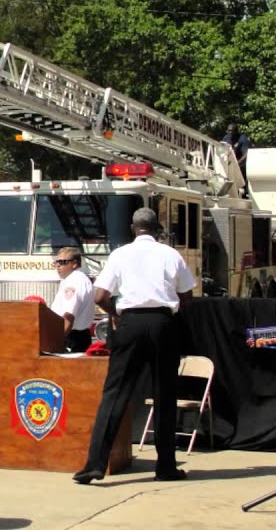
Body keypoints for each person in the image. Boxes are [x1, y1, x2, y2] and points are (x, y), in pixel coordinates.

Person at [72, 208, 196, 485]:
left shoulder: (120, 254)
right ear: (157, 228)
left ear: (133, 228)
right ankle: (166, 466)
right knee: (165, 396)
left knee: (115, 394)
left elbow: (100, 295)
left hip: (130, 323)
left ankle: (94, 465)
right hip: (163, 323)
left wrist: (115, 314)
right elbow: (187, 295)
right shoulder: (170, 254)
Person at [48, 247, 95, 353]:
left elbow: (68, 316)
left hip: (71, 337)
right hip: (79, 336)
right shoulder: (81, 279)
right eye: (56, 262)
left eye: (63, 262)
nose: (58, 265)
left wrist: (56, 342)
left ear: (74, 264)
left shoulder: (73, 282)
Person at [222, 122, 252, 194]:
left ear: (236, 131)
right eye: (228, 130)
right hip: (229, 163)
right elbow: (222, 150)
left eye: (231, 131)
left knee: (242, 182)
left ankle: (245, 193)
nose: (229, 132)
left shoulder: (243, 139)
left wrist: (237, 163)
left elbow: (246, 154)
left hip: (241, 164)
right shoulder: (226, 138)